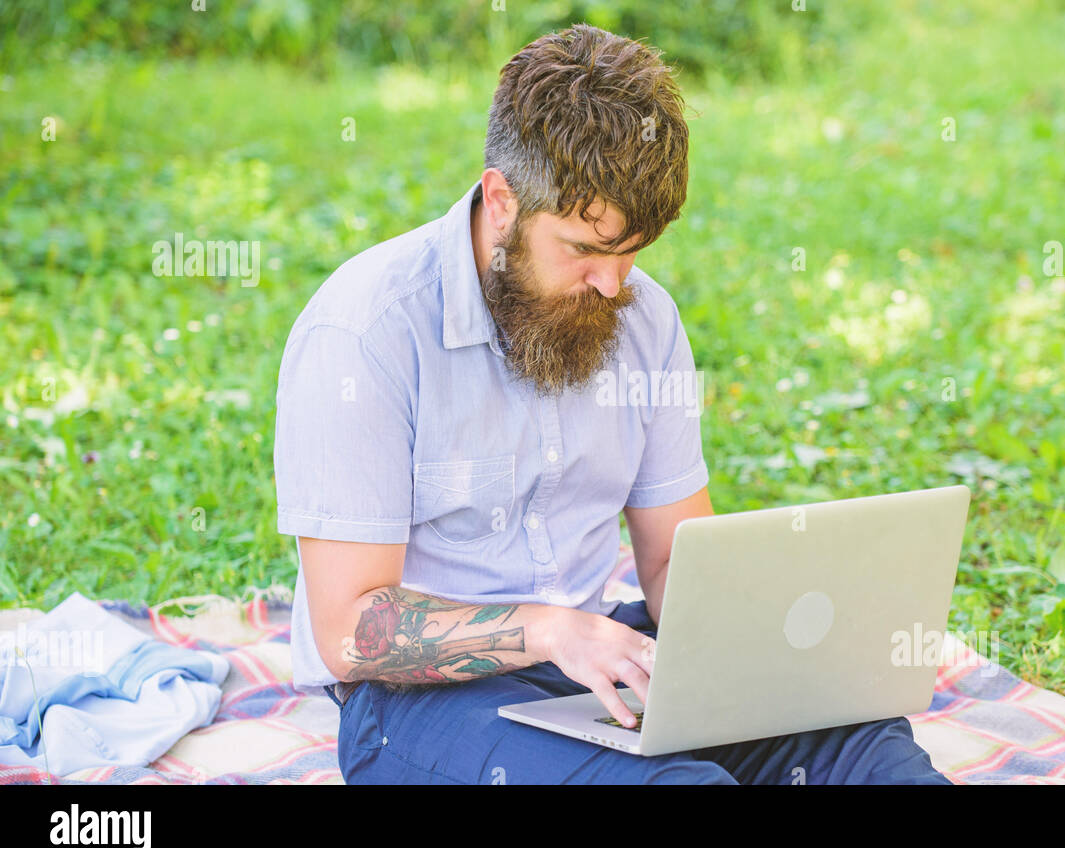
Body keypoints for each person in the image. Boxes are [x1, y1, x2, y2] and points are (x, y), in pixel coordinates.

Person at [272, 23, 950, 785]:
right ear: (502, 200)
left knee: (863, 744)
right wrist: (551, 632)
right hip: (416, 705)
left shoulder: (644, 318)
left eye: (631, 254)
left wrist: (778, 657)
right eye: (586, 251)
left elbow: (672, 561)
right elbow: (350, 631)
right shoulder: (364, 334)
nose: (614, 286)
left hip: (594, 654)